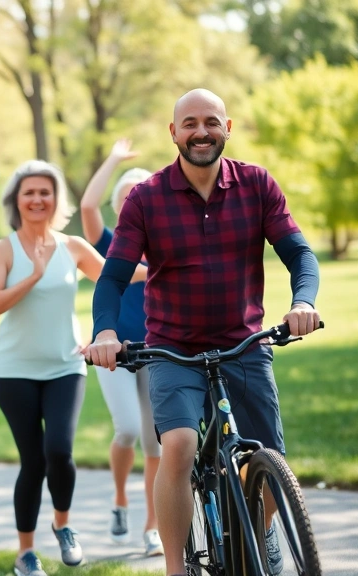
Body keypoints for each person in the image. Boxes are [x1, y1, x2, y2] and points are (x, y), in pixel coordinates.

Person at [84, 88, 321, 576]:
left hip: (244, 343)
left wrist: (303, 301)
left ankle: (262, 533)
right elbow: (111, 278)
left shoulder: (257, 184)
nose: (201, 132)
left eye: (211, 121)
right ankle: (176, 567)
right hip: (173, 349)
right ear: (174, 132)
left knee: (268, 457)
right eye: (189, 123)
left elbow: (299, 253)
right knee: (179, 445)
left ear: (226, 128)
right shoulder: (146, 198)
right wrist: (105, 331)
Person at [0, 160, 145, 576]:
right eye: (29, 192)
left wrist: (168, 268)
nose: (38, 199)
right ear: (17, 201)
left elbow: (118, 274)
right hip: (13, 371)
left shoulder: (72, 246)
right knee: (33, 462)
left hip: (66, 367)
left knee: (59, 451)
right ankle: (25, 553)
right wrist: (33, 275)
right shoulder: (2, 249)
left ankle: (63, 524)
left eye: (45, 192)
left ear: (56, 200)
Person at [79, 138, 162, 556]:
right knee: (127, 429)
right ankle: (119, 499)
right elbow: (87, 206)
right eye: (128, 195)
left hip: (158, 351)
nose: (135, 200)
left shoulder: (165, 245)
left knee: (156, 442)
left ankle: (152, 525)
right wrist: (113, 158)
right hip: (114, 353)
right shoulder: (109, 242)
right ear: (119, 205)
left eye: (141, 194)